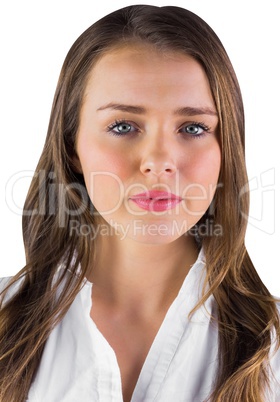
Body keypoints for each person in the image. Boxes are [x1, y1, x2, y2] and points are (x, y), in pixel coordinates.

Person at [0, 4, 279, 402]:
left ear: (226, 148)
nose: (159, 161)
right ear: (71, 145)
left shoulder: (273, 352)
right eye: (123, 126)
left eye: (194, 127)